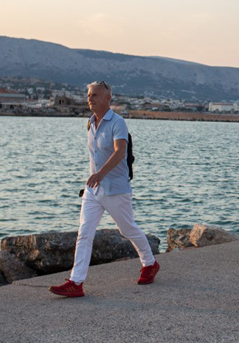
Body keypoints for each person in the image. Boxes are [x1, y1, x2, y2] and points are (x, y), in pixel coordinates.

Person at [49, 81, 158, 298]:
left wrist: (101, 174)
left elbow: (120, 152)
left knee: (127, 230)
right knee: (84, 233)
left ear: (108, 98)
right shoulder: (90, 123)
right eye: (89, 95)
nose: (90, 98)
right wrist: (95, 178)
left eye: (95, 95)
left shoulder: (118, 123)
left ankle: (150, 263)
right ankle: (76, 282)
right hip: (93, 191)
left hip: (116, 189)